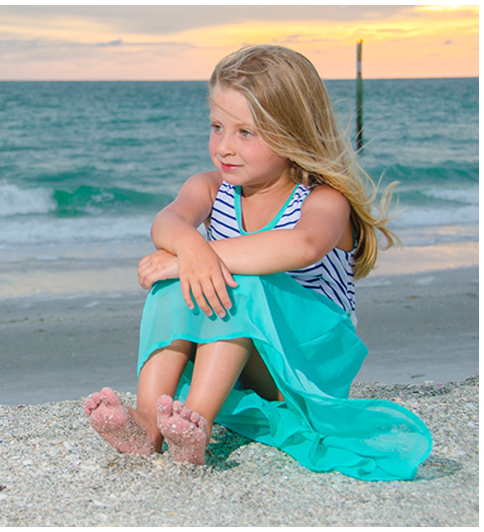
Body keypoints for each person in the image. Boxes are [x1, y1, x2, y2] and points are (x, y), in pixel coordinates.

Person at [84, 45, 432, 481]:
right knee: (181, 280)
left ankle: (198, 421)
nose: (224, 147)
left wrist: (191, 260)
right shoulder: (212, 187)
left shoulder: (325, 201)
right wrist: (189, 253)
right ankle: (151, 423)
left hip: (307, 365)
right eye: (216, 127)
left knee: (236, 281)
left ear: (294, 133)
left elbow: (302, 246)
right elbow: (168, 221)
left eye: (245, 133)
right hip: (248, 357)